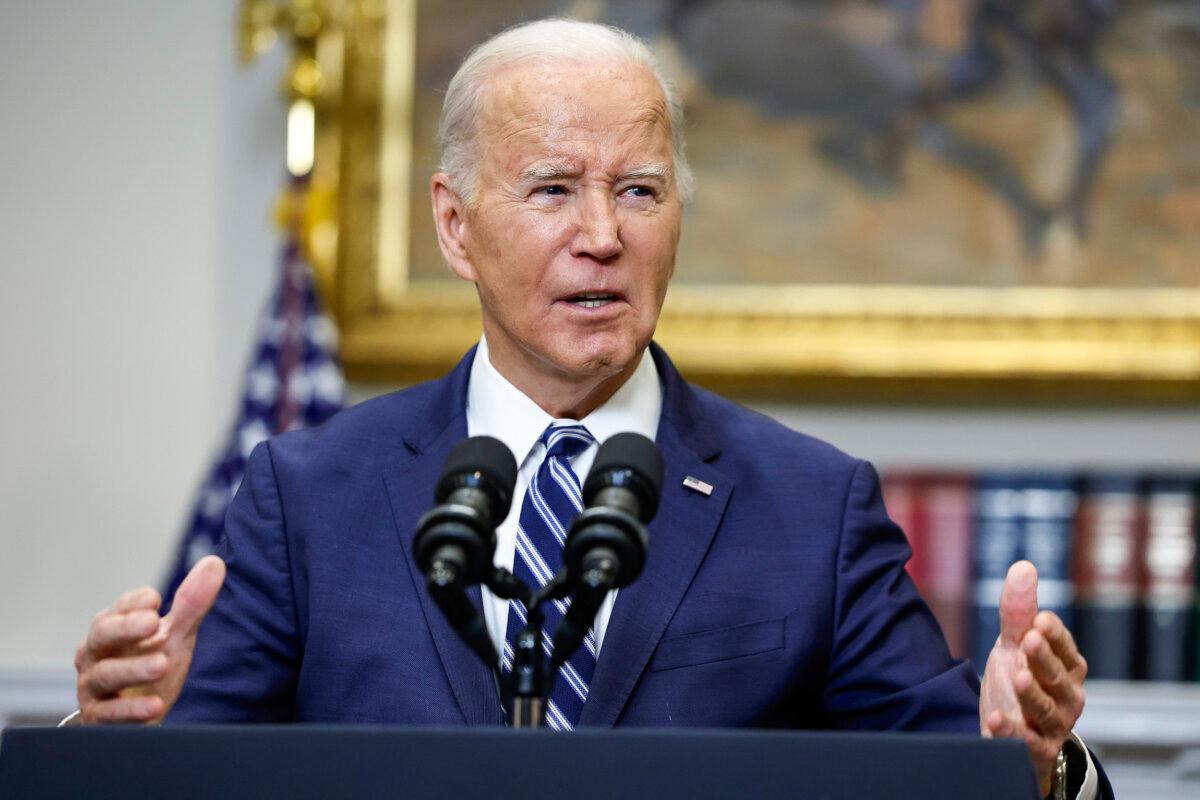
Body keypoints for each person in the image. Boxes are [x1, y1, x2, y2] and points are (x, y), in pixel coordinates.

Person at [71, 18, 1108, 799]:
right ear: (455, 223)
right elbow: (182, 772)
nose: (604, 234)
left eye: (642, 191)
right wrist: (112, 735)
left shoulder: (812, 506)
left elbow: (957, 770)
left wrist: (1038, 759)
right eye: (555, 188)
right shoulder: (310, 497)